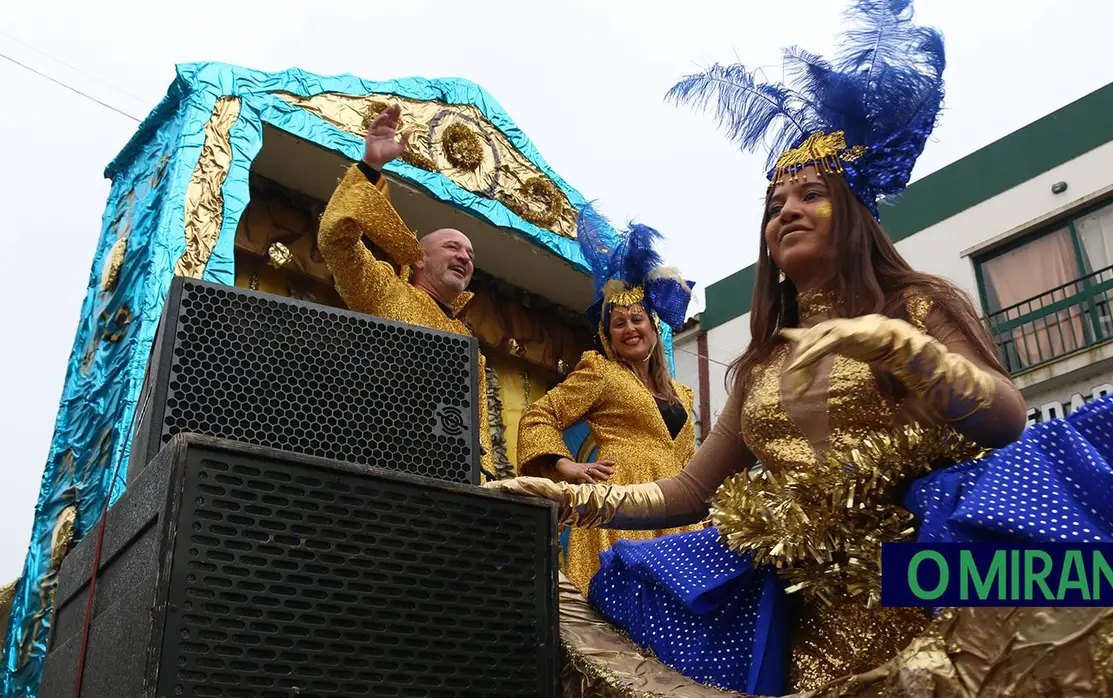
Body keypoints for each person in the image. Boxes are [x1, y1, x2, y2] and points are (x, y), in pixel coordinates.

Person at [487, 1, 1029, 693]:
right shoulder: (763, 364)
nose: (788, 211)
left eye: (810, 195)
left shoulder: (917, 305)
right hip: (809, 620)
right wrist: (570, 498)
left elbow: (1007, 417)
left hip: (929, 587)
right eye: (776, 204)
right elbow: (688, 490)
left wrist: (902, 349)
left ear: (856, 216)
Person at [517, 207, 703, 593]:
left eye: (637, 320)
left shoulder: (682, 395)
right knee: (624, 615)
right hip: (621, 507)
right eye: (619, 323)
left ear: (653, 326)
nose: (630, 329)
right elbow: (540, 415)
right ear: (608, 335)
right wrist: (563, 465)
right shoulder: (600, 372)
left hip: (677, 512)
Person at [319, 103, 495, 480]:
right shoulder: (387, 291)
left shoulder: (467, 340)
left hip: (453, 480)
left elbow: (474, 428)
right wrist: (370, 167)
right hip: (380, 462)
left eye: (470, 254)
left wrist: (485, 481)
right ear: (417, 259)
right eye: (451, 247)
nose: (464, 256)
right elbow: (336, 241)